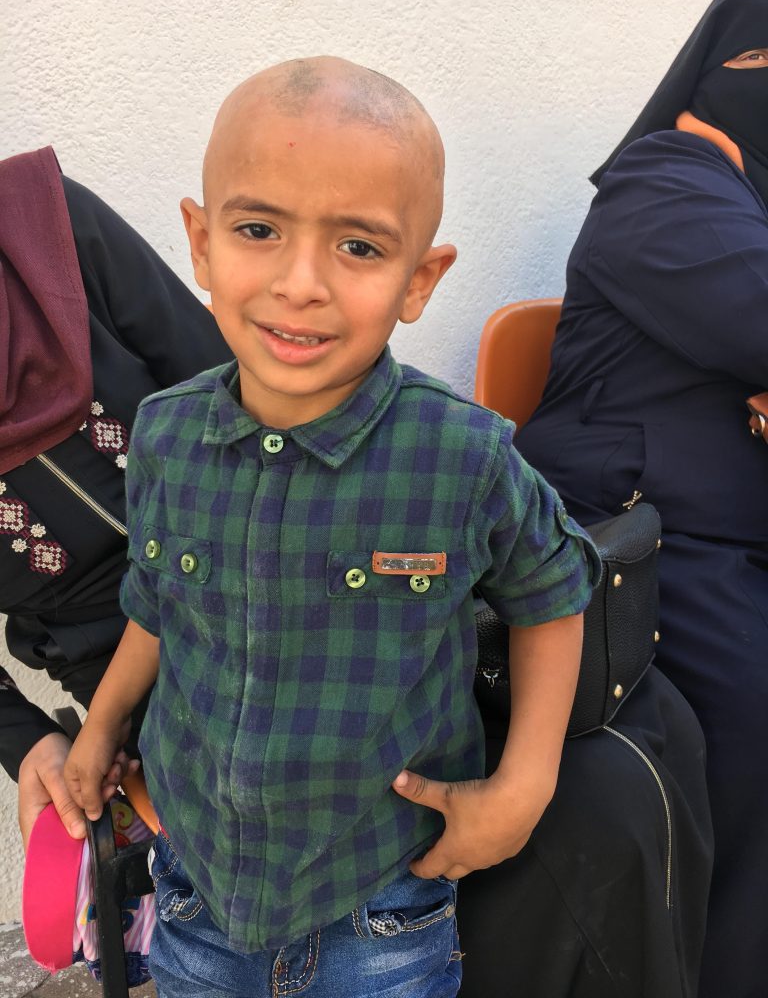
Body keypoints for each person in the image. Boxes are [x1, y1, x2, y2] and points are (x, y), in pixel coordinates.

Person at [63, 56, 601, 998]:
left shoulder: (462, 457)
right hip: (198, 892)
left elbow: (553, 589)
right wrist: (100, 728)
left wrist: (524, 788)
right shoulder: (165, 433)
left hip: (381, 906)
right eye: (259, 229)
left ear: (420, 278)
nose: (300, 282)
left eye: (358, 247)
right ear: (199, 241)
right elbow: (157, 605)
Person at [514, 0, 768, 994]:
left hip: (721, 537)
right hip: (635, 533)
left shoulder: (743, 192)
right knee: (756, 701)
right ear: (730, 67)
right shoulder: (663, 180)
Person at [0, 145, 232, 850]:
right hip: (100, 647)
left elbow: (228, 388)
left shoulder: (38, 222)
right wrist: (26, 740)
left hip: (243, 547)